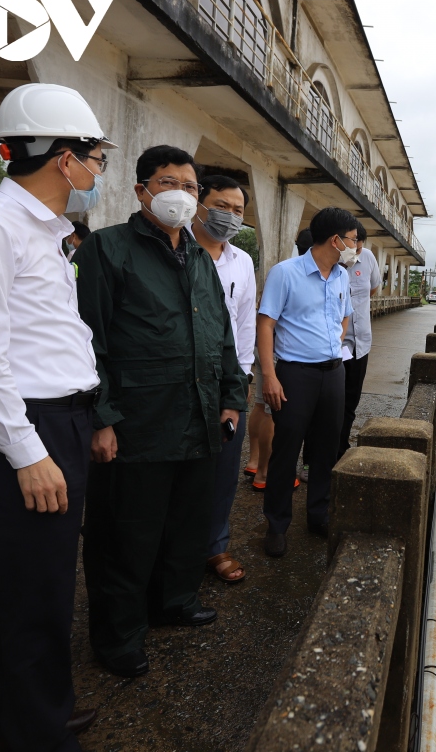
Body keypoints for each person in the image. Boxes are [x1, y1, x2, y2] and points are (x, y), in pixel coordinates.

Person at [0, 82, 112, 751]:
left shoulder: (52, 233)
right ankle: (37, 733)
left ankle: (21, 717)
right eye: (96, 156)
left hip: (58, 421)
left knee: (30, 585)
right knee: (35, 593)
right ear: (65, 158)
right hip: (24, 430)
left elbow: (47, 338)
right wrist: (28, 451)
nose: (99, 170)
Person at [74, 145, 247, 679]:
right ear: (142, 189)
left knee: (186, 525)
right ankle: (118, 636)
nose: (182, 194)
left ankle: (173, 601)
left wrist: (231, 398)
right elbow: (85, 339)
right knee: (127, 536)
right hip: (137, 424)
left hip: (197, 419)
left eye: (190, 186)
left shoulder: (198, 255)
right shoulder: (108, 250)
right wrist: (101, 417)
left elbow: (220, 337)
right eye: (168, 182)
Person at [255, 207, 357, 557]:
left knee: (327, 448)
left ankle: (318, 515)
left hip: (333, 373)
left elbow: (344, 318)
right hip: (294, 374)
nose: (354, 247)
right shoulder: (286, 273)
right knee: (287, 449)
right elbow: (265, 324)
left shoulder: (342, 276)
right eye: (353, 240)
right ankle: (277, 524)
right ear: (336, 239)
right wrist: (269, 374)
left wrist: (332, 344)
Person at [190, 174, 255, 583]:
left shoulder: (242, 261)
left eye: (238, 211)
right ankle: (173, 548)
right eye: (222, 206)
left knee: (224, 468)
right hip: (182, 378)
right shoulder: (175, 251)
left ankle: (214, 545)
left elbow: (245, 321)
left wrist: (244, 376)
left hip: (228, 377)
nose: (229, 217)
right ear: (199, 204)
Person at [244, 227, 312, 491]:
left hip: (261, 348)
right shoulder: (304, 275)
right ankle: (265, 474)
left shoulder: (281, 270)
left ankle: (253, 461)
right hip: (278, 353)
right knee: (275, 412)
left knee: (261, 407)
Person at [337, 224, 382, 460]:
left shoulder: (368, 257)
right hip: (334, 345)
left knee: (350, 401)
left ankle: (340, 449)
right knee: (328, 403)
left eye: (360, 245)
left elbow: (372, 289)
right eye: (353, 244)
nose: (356, 250)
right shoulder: (332, 262)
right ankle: (314, 459)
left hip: (360, 343)